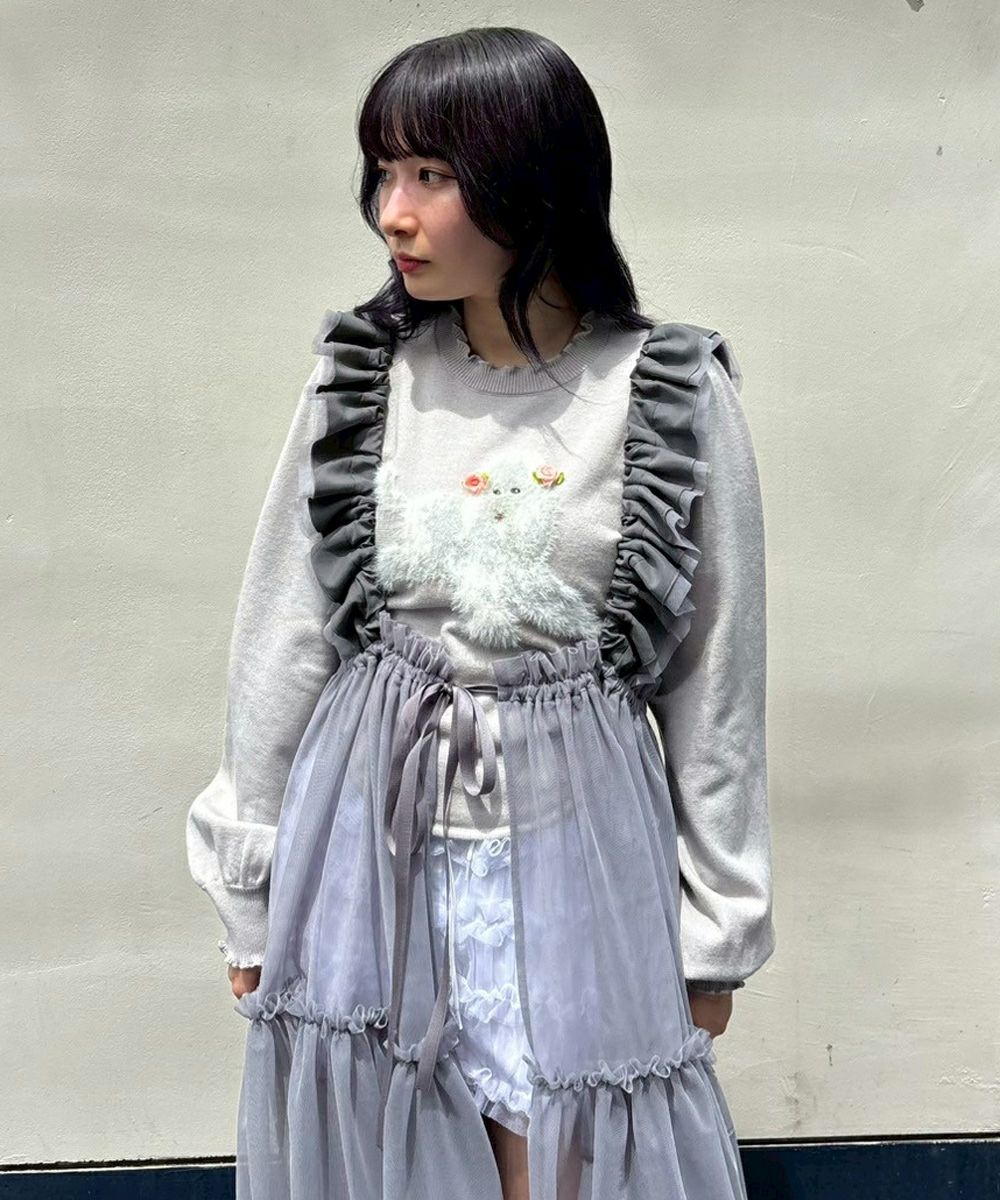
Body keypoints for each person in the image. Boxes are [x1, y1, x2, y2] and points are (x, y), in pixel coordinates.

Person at [186, 25, 775, 1200]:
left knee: (570, 1148)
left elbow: (714, 680)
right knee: (382, 1141)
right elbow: (284, 636)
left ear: (532, 181)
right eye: (382, 173)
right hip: (368, 845)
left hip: (576, 845)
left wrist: (717, 928)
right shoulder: (364, 377)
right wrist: (249, 881)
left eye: (430, 175)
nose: (391, 215)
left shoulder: (664, 390)